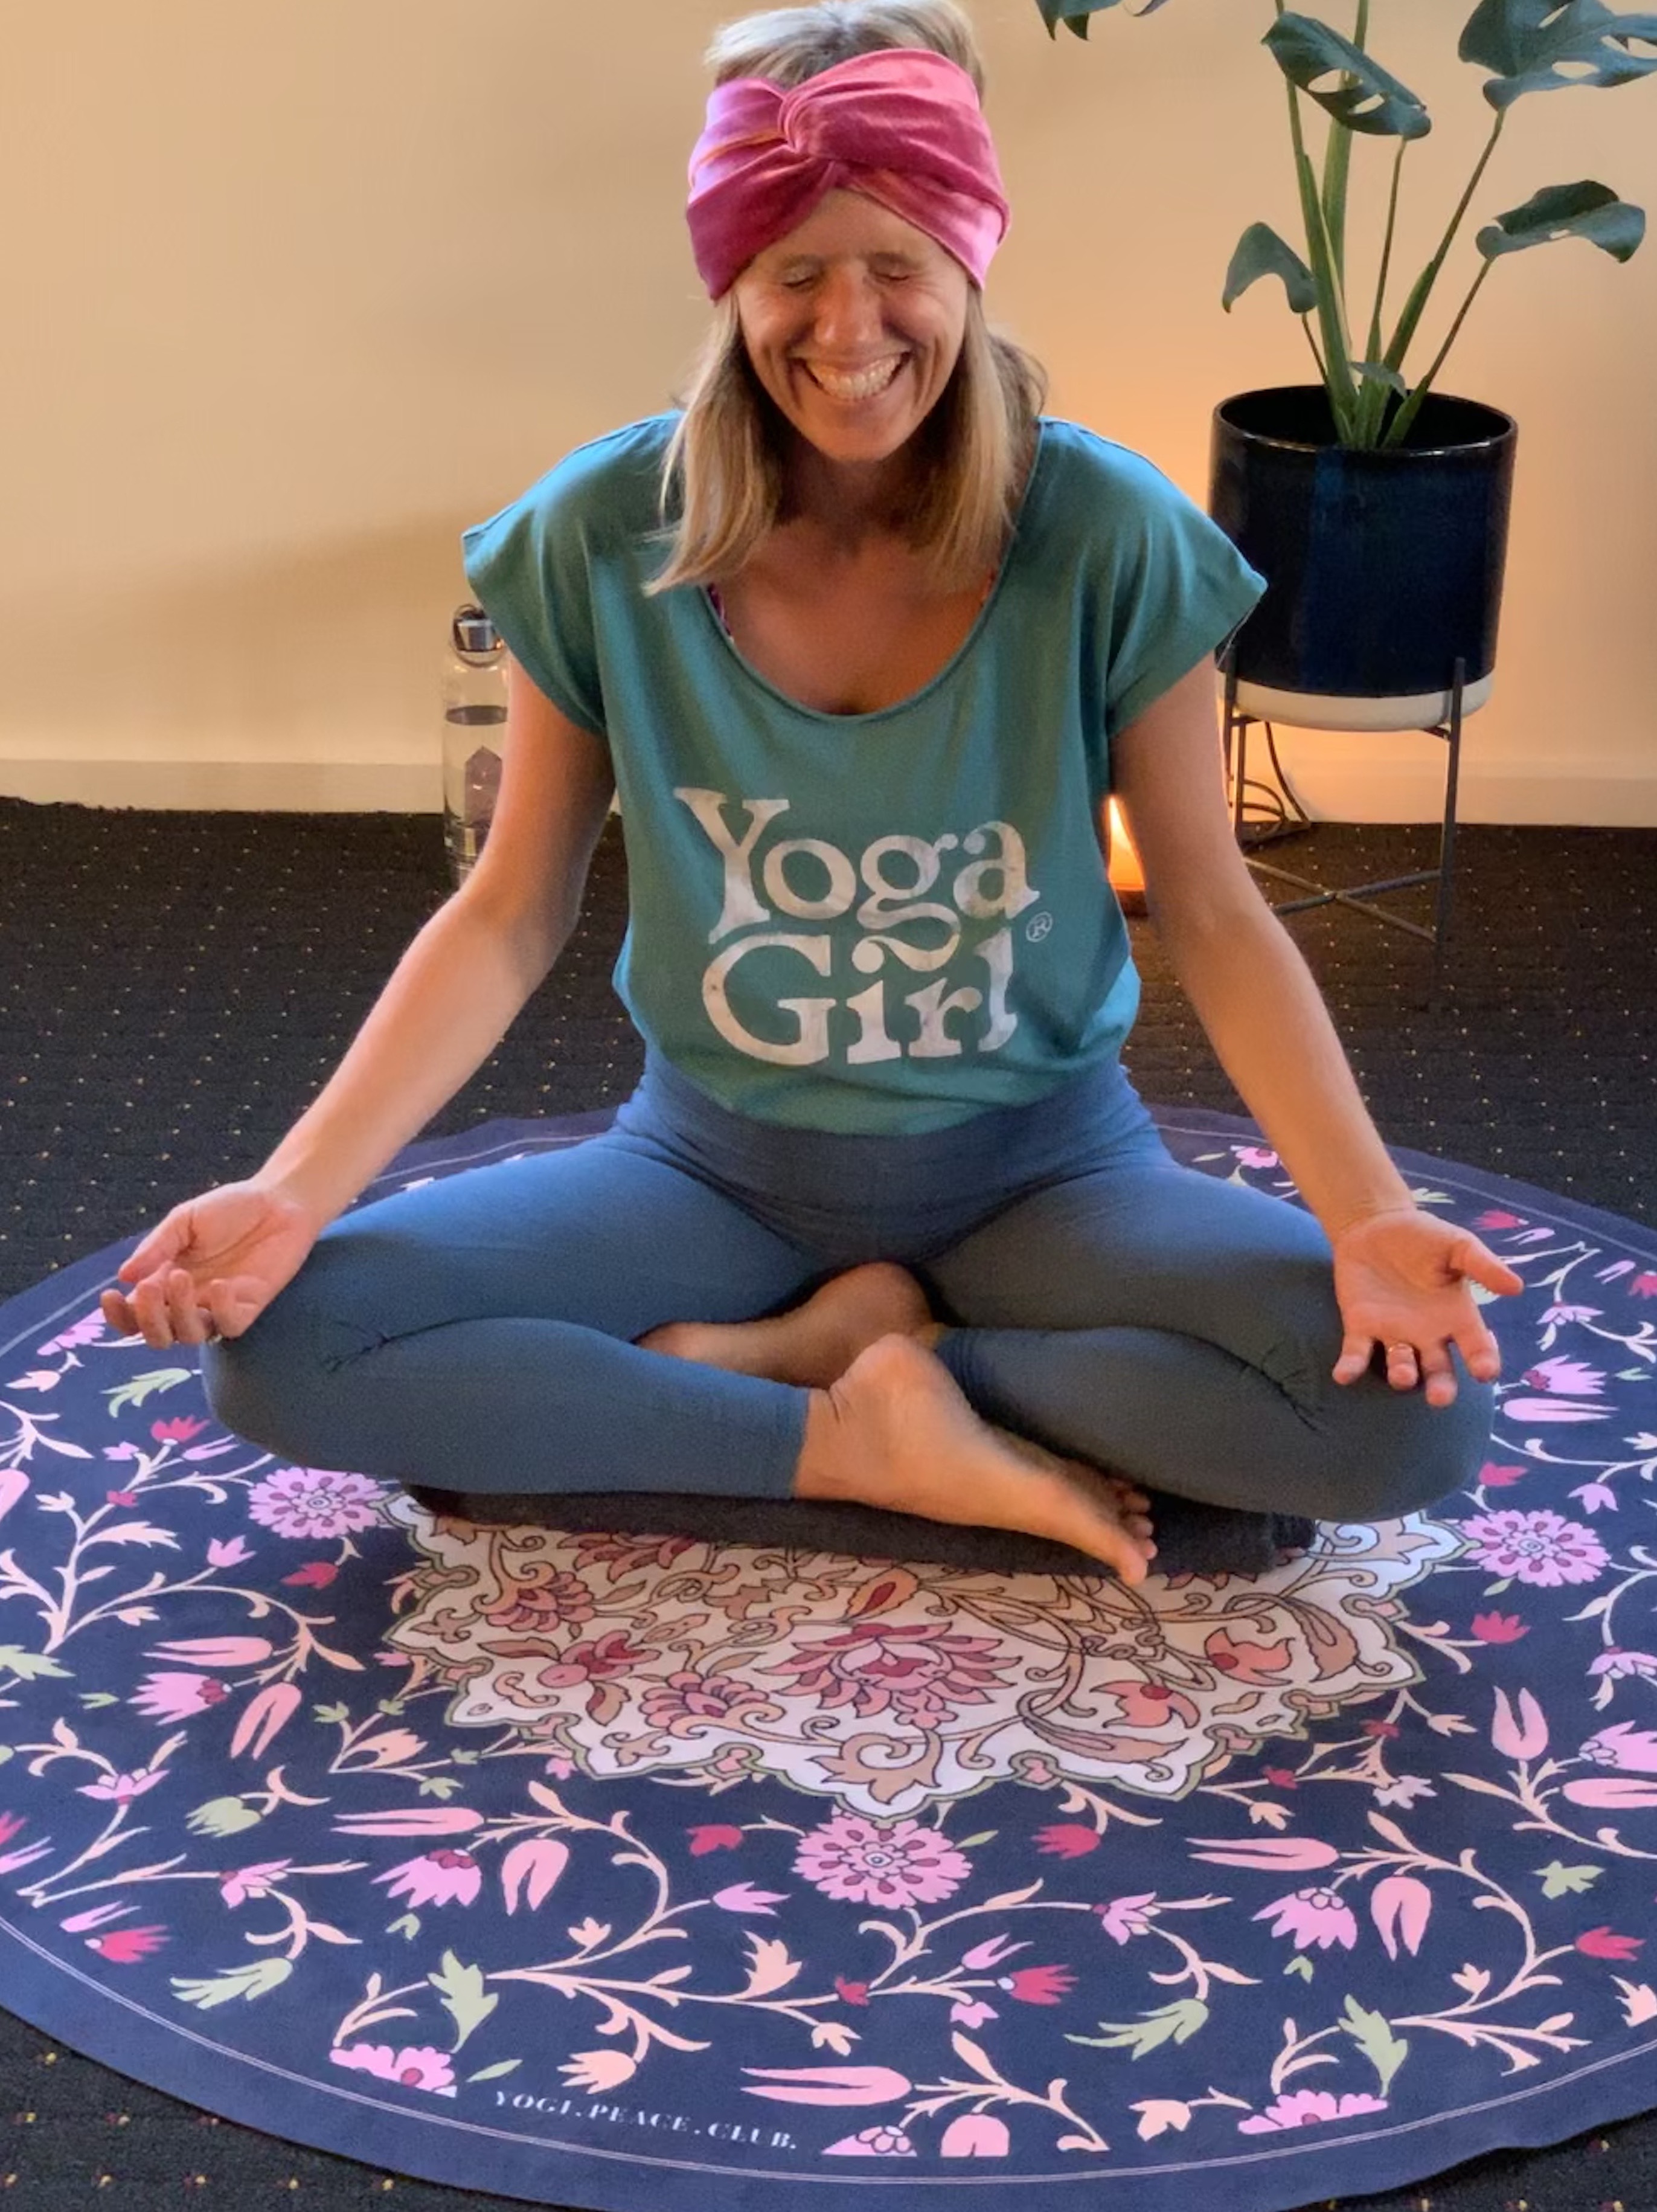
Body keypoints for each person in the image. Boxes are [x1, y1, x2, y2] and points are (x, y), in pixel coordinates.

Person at [100, 0, 1523, 1589]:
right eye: (795, 272)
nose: (850, 328)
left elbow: (1211, 908)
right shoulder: (598, 532)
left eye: (898, 264)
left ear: (969, 261)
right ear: (732, 281)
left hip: (1051, 1175)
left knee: (1414, 1414)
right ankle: (841, 1435)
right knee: (285, 1351)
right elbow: (507, 914)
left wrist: (1365, 1214)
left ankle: (898, 1368)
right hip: (707, 1170)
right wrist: (295, 1193)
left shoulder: (1111, 534)